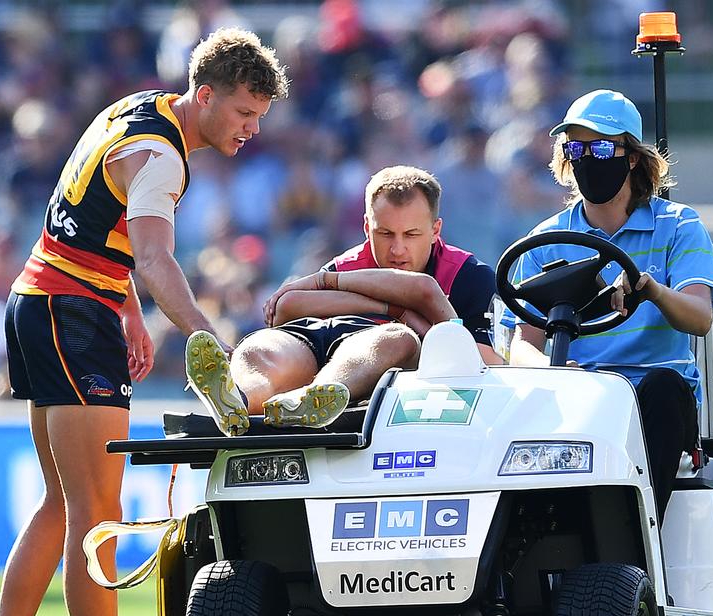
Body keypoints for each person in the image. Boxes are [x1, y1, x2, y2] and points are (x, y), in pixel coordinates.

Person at [0, 28, 288, 616]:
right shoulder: (163, 157)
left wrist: (130, 313)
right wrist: (208, 337)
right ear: (205, 95)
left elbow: (94, 225)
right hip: (71, 313)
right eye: (241, 114)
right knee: (94, 518)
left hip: (48, 301)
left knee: (62, 505)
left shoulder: (139, 108)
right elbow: (155, 258)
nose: (250, 130)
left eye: (258, 118)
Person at [501, 90, 713, 523]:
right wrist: (550, 372)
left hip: (653, 394)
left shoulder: (678, 225)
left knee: (662, 391)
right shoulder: (546, 241)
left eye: (602, 147)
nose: (588, 158)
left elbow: (701, 319)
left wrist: (653, 290)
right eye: (576, 148)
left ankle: (641, 537)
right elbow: (521, 343)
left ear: (631, 157)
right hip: (581, 394)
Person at [186, 165, 500, 435]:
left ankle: (307, 401)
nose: (398, 250)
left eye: (412, 235)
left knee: (392, 338)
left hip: (374, 352)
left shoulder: (468, 275)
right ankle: (237, 400)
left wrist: (335, 289)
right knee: (259, 346)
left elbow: (484, 362)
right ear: (367, 227)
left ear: (435, 231)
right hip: (316, 341)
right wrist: (390, 308)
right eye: (386, 234)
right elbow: (284, 311)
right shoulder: (345, 265)